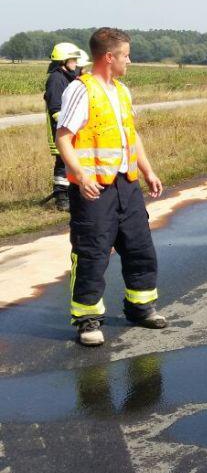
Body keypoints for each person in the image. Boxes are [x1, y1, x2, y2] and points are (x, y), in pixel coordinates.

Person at [54, 27, 167, 347]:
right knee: (92, 252)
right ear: (109, 57)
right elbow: (64, 137)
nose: (129, 61)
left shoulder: (122, 91)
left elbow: (132, 136)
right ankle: (88, 319)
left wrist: (147, 170)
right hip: (94, 190)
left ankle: (140, 307)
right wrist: (82, 175)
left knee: (139, 246)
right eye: (126, 56)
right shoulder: (81, 90)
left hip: (126, 184)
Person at [43, 42, 86, 211]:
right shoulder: (56, 79)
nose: (76, 63)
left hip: (68, 130)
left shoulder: (66, 77)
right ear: (63, 61)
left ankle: (70, 195)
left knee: (69, 161)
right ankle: (61, 198)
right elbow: (56, 109)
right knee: (63, 163)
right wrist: (69, 128)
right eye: (73, 60)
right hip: (60, 132)